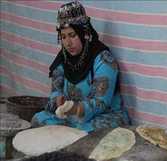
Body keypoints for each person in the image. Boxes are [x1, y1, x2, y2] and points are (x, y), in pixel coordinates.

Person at [31, 1, 130, 132]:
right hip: (71, 117)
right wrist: (57, 101)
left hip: (103, 116)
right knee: (38, 120)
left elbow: (101, 102)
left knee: (80, 132)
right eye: (64, 36)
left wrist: (76, 108)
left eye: (72, 35)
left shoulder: (104, 59)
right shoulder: (62, 58)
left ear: (84, 33)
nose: (68, 43)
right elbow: (55, 92)